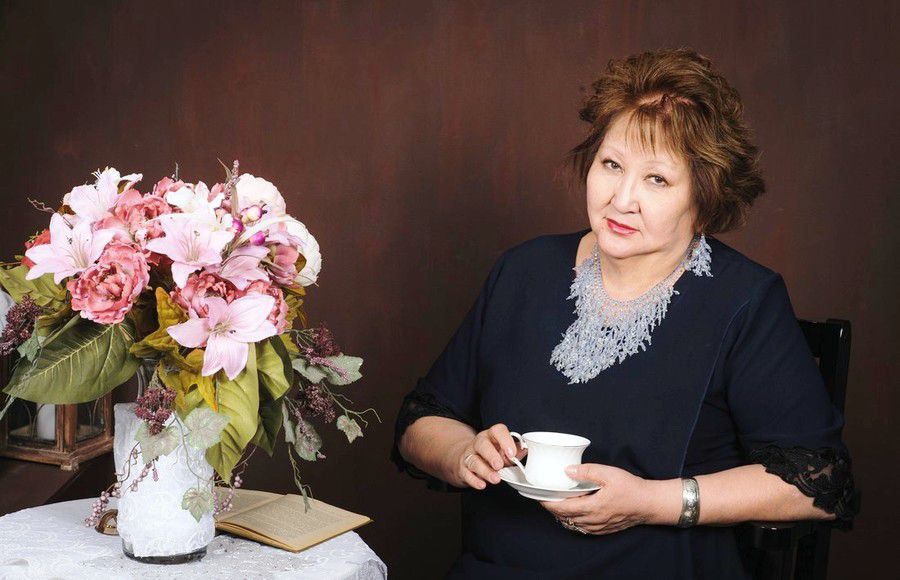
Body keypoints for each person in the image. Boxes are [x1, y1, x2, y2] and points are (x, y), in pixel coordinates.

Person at [391, 48, 857, 579]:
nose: (622, 198)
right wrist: (463, 452)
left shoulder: (746, 300)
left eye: (657, 179)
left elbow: (816, 484)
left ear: (704, 200)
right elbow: (420, 420)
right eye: (612, 165)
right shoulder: (522, 271)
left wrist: (652, 502)